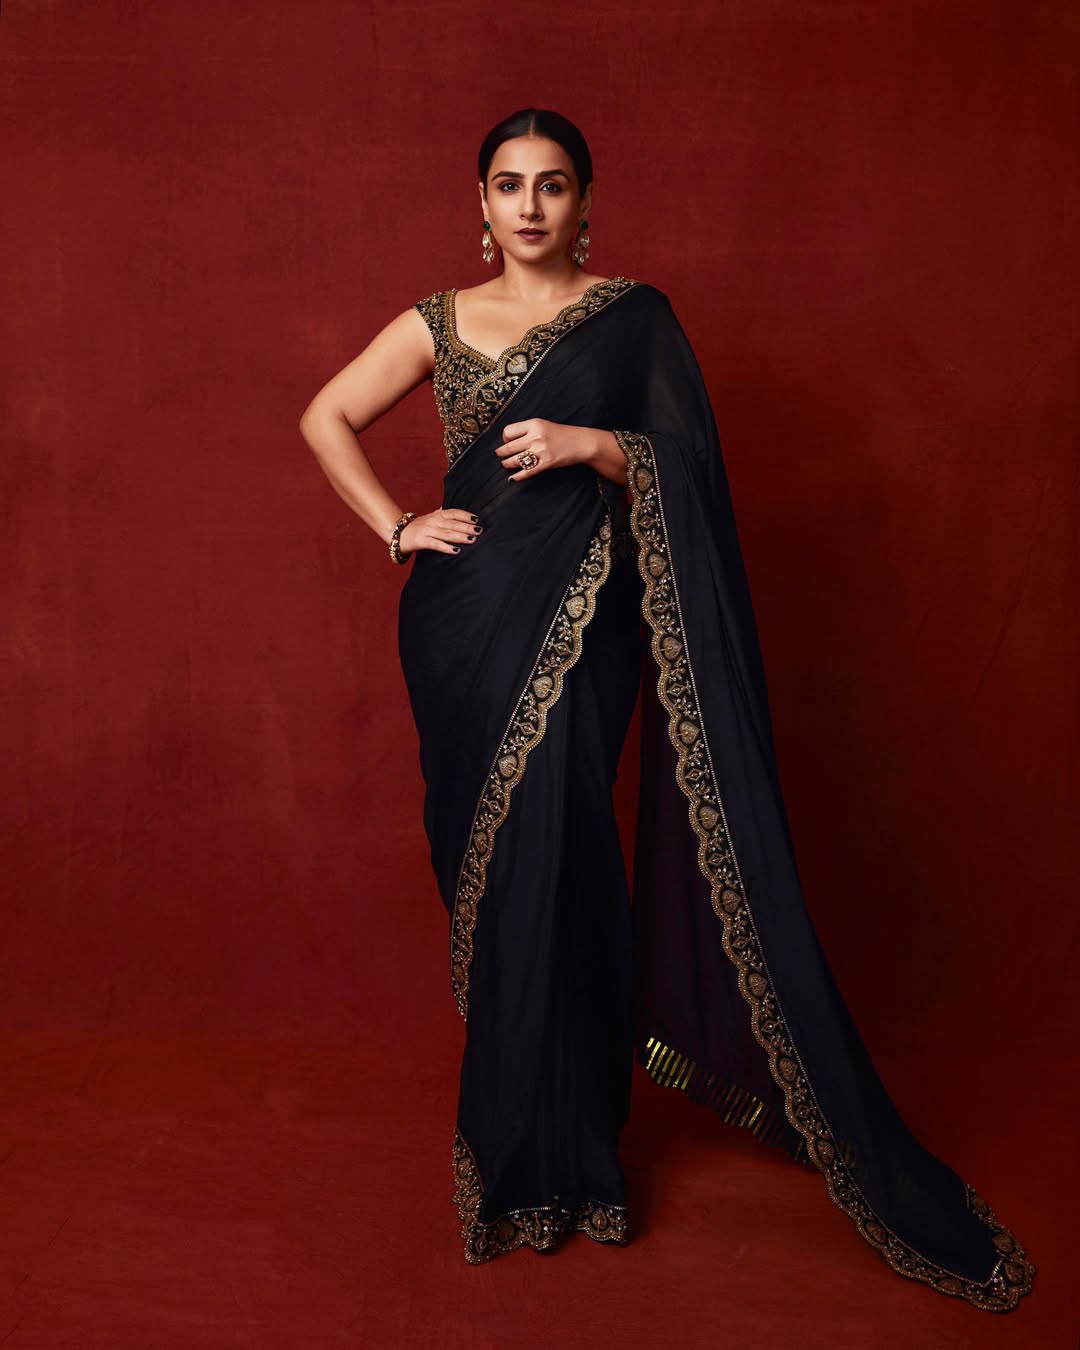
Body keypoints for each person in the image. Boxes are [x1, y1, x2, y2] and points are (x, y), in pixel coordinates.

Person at [298, 108, 1035, 1312]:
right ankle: (509, 1163)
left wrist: (598, 444)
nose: (529, 206)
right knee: (499, 882)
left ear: (586, 202)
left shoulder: (634, 318)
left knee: (571, 864)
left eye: (552, 185)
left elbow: (690, 469)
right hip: (462, 632)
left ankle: (580, 1162)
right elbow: (323, 415)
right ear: (478, 205)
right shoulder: (437, 322)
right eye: (507, 185)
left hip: (586, 633)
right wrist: (398, 526)